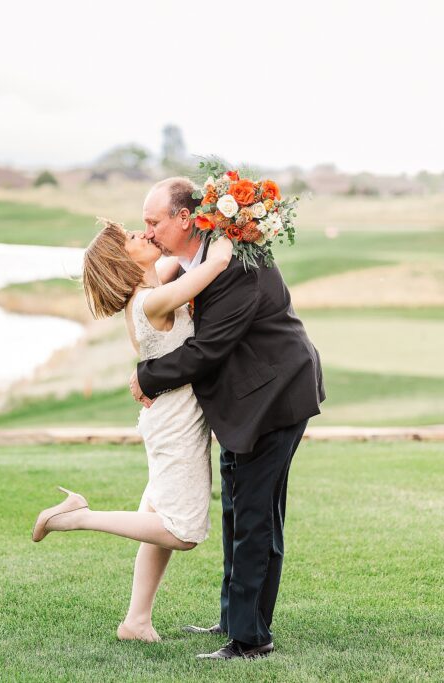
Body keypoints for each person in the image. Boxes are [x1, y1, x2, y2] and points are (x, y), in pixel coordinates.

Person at [129, 177, 325, 660]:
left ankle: (251, 639)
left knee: (256, 518)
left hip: (275, 395)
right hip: (244, 402)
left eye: (153, 222)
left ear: (184, 218)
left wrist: (147, 378)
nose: (148, 231)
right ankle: (234, 619)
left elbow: (208, 349)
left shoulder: (234, 264)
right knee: (240, 511)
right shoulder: (198, 260)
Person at [31, 216, 233, 643]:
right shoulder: (147, 302)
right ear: (124, 260)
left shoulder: (151, 283)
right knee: (181, 532)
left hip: (167, 416)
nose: (144, 234)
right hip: (175, 422)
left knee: (155, 517)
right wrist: (228, 233)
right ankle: (78, 518)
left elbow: (176, 264)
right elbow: (212, 265)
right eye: (132, 238)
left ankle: (136, 621)